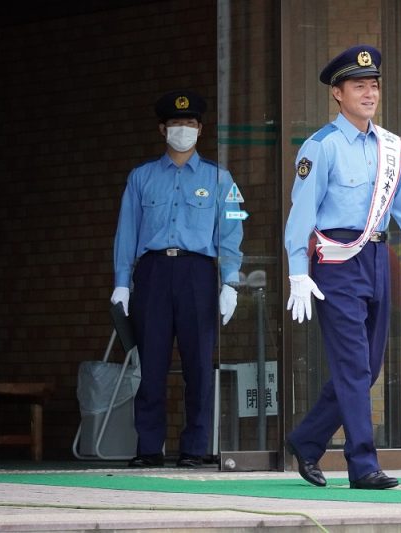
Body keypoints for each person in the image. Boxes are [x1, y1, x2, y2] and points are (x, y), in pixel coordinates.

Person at [283, 45, 401, 490]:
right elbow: (301, 214)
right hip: (337, 260)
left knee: (367, 368)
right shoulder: (321, 146)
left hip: (378, 258)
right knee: (354, 367)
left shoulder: (390, 146)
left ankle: (307, 438)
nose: (369, 93)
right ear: (337, 93)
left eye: (373, 85)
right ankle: (362, 464)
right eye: (359, 86)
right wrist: (298, 270)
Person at [111, 89, 243, 468]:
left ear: (200, 129)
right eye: (174, 123)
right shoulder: (142, 177)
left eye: (189, 123)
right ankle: (149, 448)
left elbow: (231, 233)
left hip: (198, 273)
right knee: (150, 365)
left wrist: (230, 281)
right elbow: (126, 232)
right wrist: (122, 281)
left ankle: (194, 448)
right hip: (152, 272)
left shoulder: (219, 178)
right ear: (162, 129)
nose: (182, 129)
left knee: (198, 365)